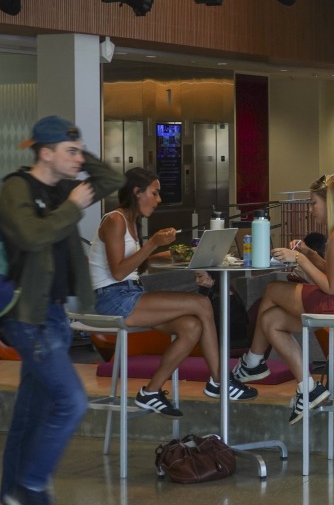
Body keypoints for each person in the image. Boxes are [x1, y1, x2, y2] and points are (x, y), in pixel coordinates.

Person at [0, 115, 124, 505]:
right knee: (72, 401)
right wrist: (71, 207)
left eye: (79, 151)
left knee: (28, 414)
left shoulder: (65, 185)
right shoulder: (16, 188)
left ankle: (8, 494)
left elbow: (112, 182)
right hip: (26, 316)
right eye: (69, 151)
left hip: (53, 316)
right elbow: (31, 235)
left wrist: (78, 152)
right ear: (45, 152)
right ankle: (31, 486)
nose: (78, 158)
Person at [88, 168, 257, 417]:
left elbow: (138, 265)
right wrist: (154, 243)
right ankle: (221, 381)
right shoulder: (115, 220)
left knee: (191, 327)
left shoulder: (131, 221)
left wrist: (179, 257)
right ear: (137, 192)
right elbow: (117, 272)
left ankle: (151, 392)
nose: (159, 200)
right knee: (201, 304)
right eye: (154, 193)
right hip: (113, 298)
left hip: (129, 293)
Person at [232, 173, 334, 425]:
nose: (310, 208)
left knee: (272, 289)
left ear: (331, 202)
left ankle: (252, 362)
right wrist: (310, 254)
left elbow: (331, 287)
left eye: (314, 202)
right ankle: (308, 388)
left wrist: (299, 260)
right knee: (271, 319)